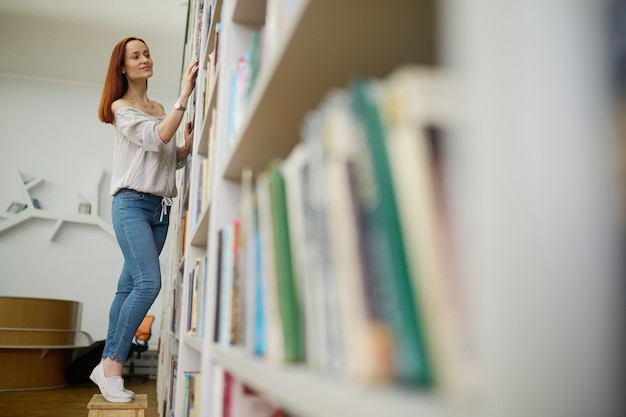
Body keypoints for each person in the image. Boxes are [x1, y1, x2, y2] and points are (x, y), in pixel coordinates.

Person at [90, 36, 198, 403]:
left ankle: (104, 365)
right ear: (122, 67)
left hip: (159, 210)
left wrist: (183, 146)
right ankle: (113, 366)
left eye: (147, 53)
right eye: (135, 56)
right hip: (131, 205)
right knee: (149, 284)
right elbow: (156, 137)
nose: (144, 59)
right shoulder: (122, 108)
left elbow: (166, 159)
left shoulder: (159, 107)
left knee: (127, 287)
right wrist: (184, 98)